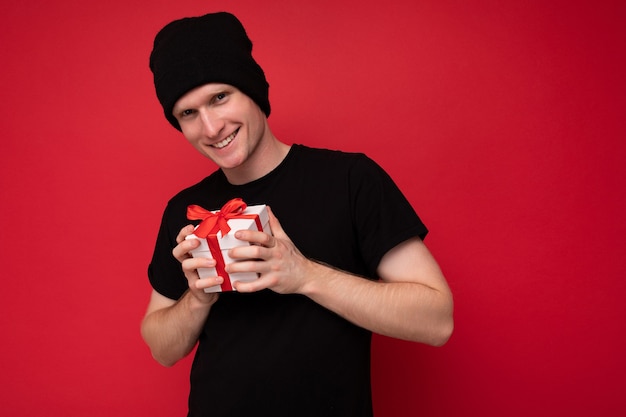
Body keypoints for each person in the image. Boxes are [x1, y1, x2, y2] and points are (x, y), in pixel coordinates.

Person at [141, 11, 453, 417]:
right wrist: (198, 298)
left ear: (252, 89)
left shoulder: (350, 180)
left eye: (220, 97)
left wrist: (304, 274)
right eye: (188, 113)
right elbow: (162, 349)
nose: (212, 126)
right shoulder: (185, 211)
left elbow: (437, 321)